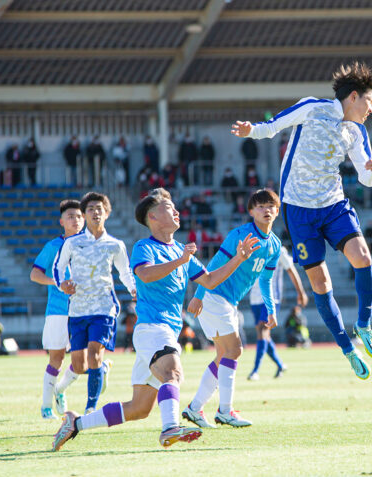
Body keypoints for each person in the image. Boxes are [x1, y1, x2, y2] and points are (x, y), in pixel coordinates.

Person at [51, 188, 258, 451]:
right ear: (153, 216)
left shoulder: (182, 252)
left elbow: (211, 280)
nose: (177, 211)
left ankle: (75, 423)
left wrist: (239, 258)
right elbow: (145, 275)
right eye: (169, 208)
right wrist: (181, 260)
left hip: (163, 331)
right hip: (152, 328)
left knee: (138, 409)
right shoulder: (144, 247)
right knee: (173, 372)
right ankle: (170, 428)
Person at [230, 61, 372, 380]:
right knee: (320, 283)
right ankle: (347, 349)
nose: (371, 109)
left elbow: (367, 176)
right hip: (298, 209)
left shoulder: (356, 132)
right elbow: (273, 126)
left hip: (333, 205)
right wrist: (252, 130)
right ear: (354, 96)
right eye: (370, 101)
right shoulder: (312, 108)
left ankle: (364, 325)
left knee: (363, 258)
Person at [182, 189, 284, 428]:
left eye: (270, 206)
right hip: (215, 296)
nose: (266, 210)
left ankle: (195, 408)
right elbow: (215, 263)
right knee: (235, 349)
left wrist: (271, 309)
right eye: (260, 206)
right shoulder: (240, 234)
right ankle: (225, 411)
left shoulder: (275, 245)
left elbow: (265, 280)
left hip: (228, 301)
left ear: (277, 211)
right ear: (250, 211)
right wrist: (199, 294)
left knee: (223, 355)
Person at [53, 192, 137, 415]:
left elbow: (125, 272)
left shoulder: (115, 245)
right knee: (80, 365)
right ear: (84, 214)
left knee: (94, 355)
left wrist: (133, 289)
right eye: (90, 209)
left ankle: (91, 408)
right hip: (77, 309)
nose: (95, 212)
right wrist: (63, 284)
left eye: (100, 208)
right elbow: (58, 268)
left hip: (103, 308)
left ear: (107, 214)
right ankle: (62, 388)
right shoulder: (72, 243)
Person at [29, 199, 85, 420]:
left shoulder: (90, 246)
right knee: (57, 358)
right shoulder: (53, 246)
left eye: (79, 216)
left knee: (86, 359)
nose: (76, 220)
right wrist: (57, 282)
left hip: (84, 309)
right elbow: (34, 274)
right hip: (58, 310)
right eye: (71, 216)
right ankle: (46, 407)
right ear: (62, 221)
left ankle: (60, 389)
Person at [247, 244, 308, 381]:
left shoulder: (279, 249)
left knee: (263, 330)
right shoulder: (255, 247)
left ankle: (255, 371)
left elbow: (291, 270)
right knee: (264, 336)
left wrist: (301, 292)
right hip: (254, 298)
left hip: (271, 298)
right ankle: (280, 365)